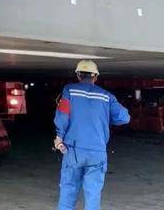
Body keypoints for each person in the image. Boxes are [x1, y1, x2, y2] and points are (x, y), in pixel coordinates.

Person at [54, 60, 130, 210]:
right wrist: (105, 117)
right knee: (93, 194)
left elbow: (62, 115)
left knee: (68, 190)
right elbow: (124, 118)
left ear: (78, 75)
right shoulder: (106, 96)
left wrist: (59, 137)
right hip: (97, 151)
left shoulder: (69, 91)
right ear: (95, 76)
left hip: (73, 150)